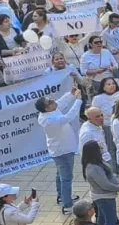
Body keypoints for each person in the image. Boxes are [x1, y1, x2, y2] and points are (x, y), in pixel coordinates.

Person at [35, 85, 84, 214]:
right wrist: (78, 100)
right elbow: (69, 117)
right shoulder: (49, 119)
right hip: (63, 150)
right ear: (47, 108)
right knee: (66, 177)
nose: (53, 101)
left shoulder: (50, 111)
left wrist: (71, 94)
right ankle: (67, 205)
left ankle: (62, 196)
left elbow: (60, 103)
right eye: (50, 102)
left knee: (60, 175)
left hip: (61, 149)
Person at [82, 141, 119, 225]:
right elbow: (105, 184)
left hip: (103, 197)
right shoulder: (94, 168)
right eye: (99, 148)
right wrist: (118, 187)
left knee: (101, 220)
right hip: (104, 198)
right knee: (110, 221)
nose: (101, 149)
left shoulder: (96, 163)